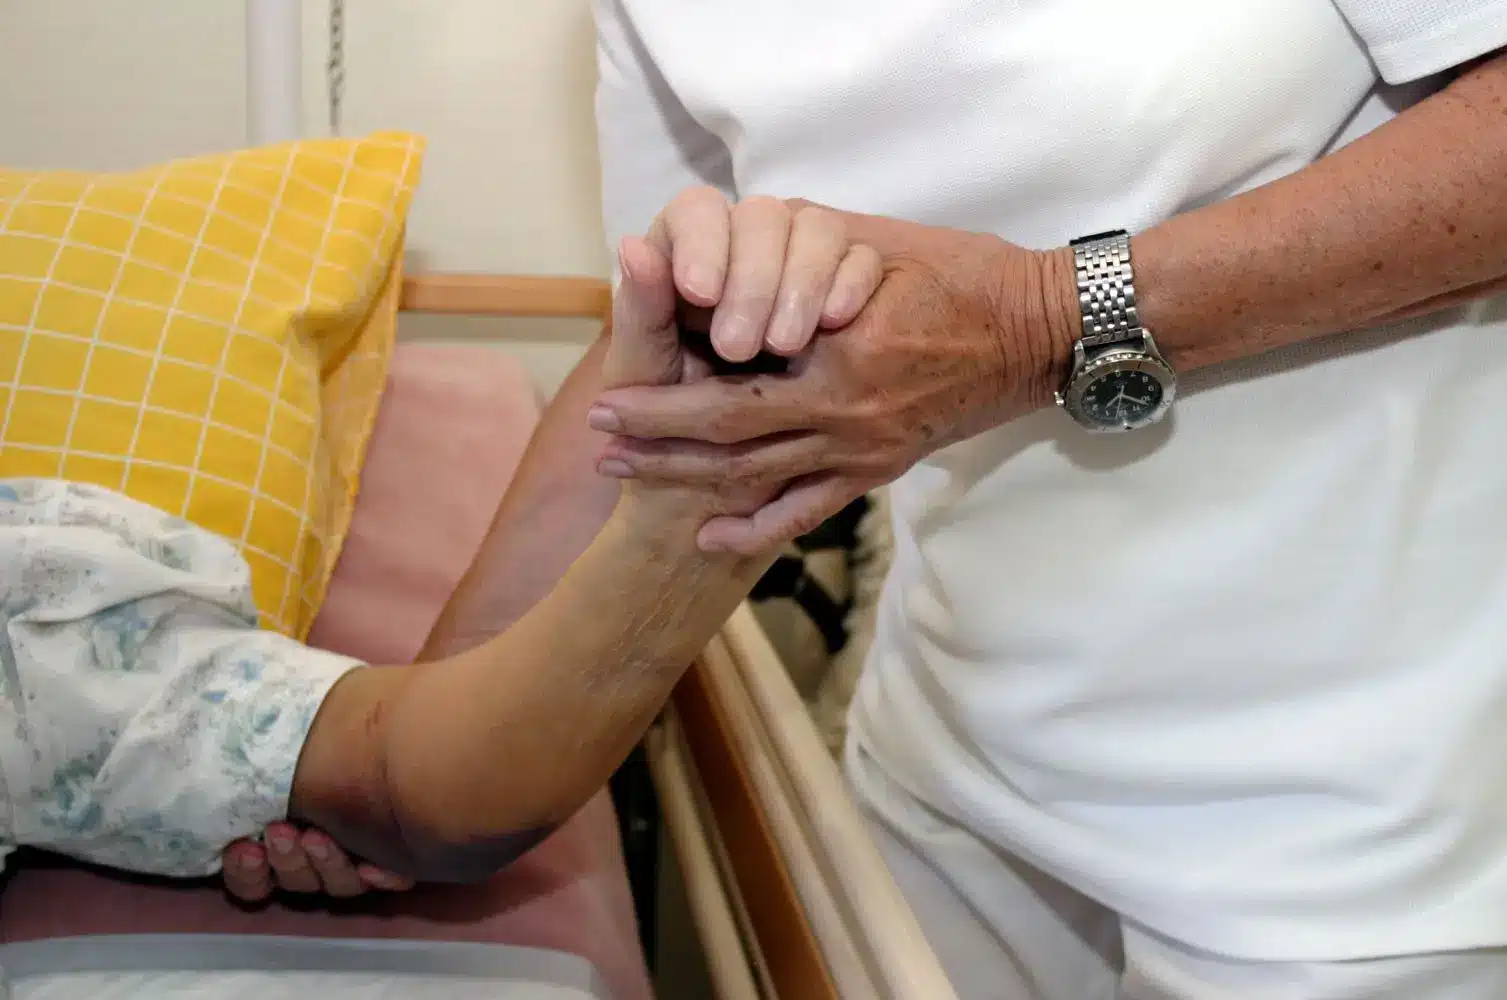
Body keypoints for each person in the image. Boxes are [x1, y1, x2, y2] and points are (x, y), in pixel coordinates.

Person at [230, 4, 1507, 998]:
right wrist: (407, 765)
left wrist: (1036, 318)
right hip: (968, 716)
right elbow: (666, 367)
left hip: (1374, 770)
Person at [0, 231, 879, 890]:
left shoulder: (44, 613)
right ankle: (695, 455)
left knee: (404, 772)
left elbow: (416, 779)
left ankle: (696, 453)